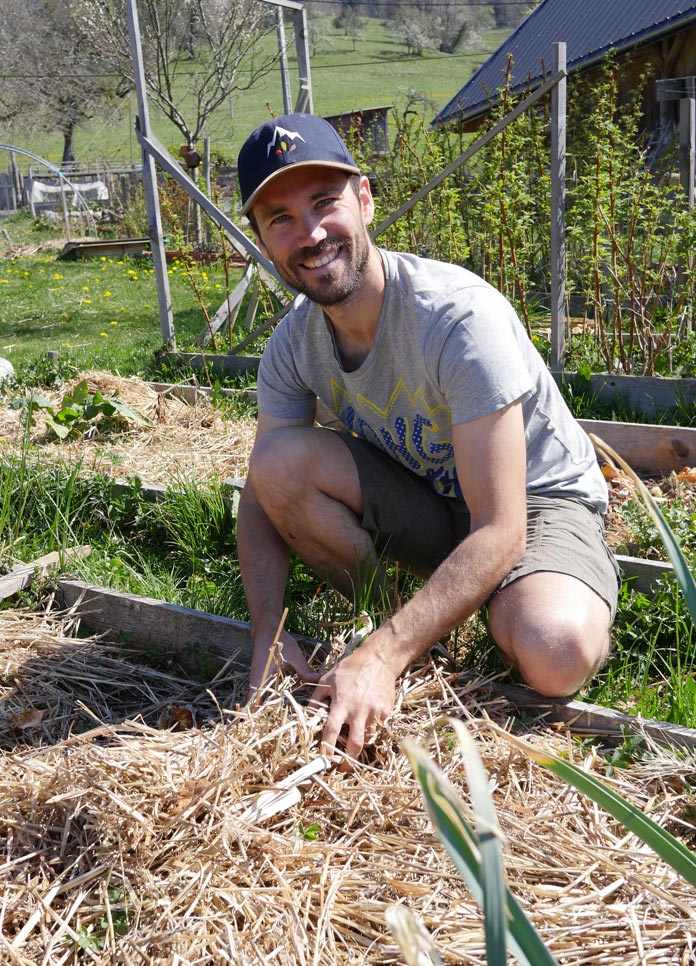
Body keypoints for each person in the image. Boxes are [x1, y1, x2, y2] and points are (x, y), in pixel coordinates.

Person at [235, 112, 620, 764]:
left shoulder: (456, 320)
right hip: (428, 492)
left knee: (555, 652)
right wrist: (266, 639)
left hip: (530, 502)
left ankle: (460, 620)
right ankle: (419, 627)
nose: (311, 233)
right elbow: (258, 495)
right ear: (264, 241)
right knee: (276, 463)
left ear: (364, 199)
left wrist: (380, 657)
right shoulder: (294, 342)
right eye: (281, 219)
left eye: (325, 203)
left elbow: (501, 528)